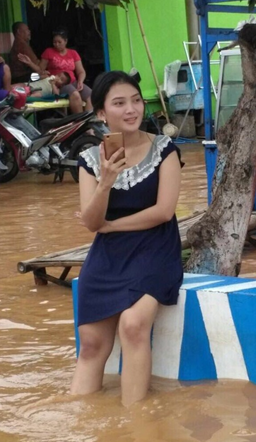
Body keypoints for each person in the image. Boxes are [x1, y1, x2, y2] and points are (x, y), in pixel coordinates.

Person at [71, 71, 184, 406]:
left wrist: (113, 226)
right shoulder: (91, 160)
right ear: (103, 114)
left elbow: (164, 211)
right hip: (108, 255)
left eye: (136, 100)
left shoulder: (165, 150)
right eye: (119, 103)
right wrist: (106, 180)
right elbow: (92, 223)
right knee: (90, 342)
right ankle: (84, 422)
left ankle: (134, 422)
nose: (131, 109)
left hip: (156, 248)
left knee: (133, 326)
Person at [39, 29, 93, 113]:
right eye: (54, 42)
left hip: (73, 81)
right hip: (60, 83)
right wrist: (45, 75)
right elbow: (40, 70)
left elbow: (81, 71)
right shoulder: (48, 52)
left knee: (92, 96)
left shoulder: (73, 53)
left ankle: (88, 122)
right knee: (75, 95)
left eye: (59, 42)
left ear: (65, 41)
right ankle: (80, 123)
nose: (56, 44)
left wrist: (80, 81)